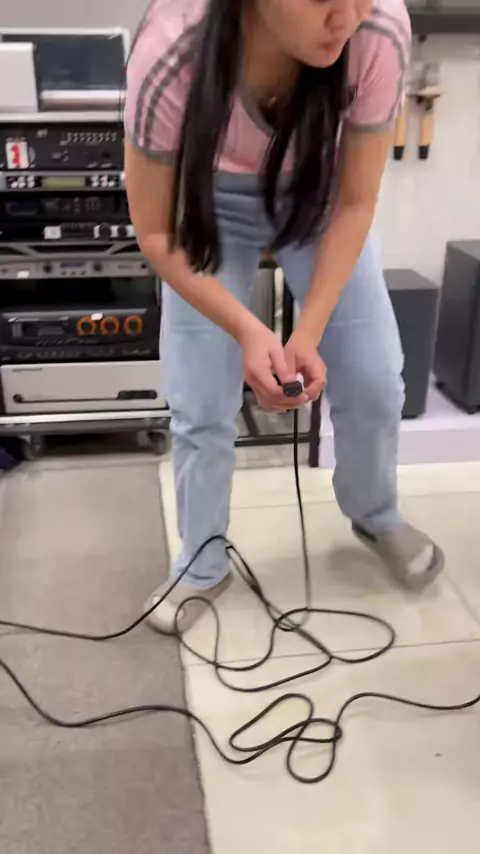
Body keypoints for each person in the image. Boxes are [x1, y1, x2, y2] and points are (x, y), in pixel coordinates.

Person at [124, 0, 444, 634]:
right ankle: (201, 562)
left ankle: (376, 514)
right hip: (209, 199)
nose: (346, 17)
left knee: (377, 380)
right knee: (200, 398)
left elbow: (355, 203)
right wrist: (249, 329)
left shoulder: (378, 27)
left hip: (321, 197)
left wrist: (308, 332)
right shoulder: (172, 46)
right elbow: (155, 232)